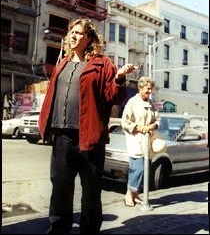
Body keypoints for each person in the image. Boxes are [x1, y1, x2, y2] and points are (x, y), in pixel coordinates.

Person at [38, 18, 138, 234]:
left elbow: (115, 96)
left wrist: (119, 78)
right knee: (60, 188)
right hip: (62, 136)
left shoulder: (103, 64)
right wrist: (45, 125)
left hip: (89, 137)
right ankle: (58, 230)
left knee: (91, 191)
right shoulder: (62, 64)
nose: (72, 36)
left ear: (89, 38)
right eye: (71, 32)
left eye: (78, 33)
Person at [121, 76, 160, 207]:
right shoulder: (132, 102)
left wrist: (151, 126)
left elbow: (157, 119)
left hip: (147, 141)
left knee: (145, 169)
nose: (150, 91)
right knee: (137, 169)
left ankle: (135, 194)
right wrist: (138, 128)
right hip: (135, 140)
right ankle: (128, 194)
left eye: (151, 89)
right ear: (140, 88)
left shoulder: (150, 103)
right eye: (148, 89)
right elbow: (124, 121)